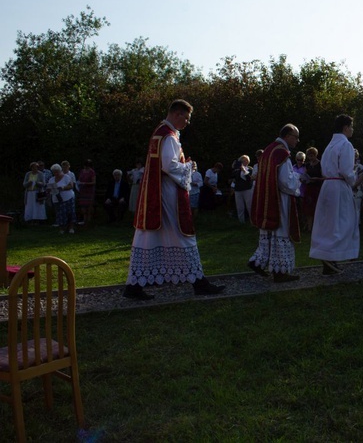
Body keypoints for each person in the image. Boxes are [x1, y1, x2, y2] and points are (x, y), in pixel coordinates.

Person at [124, 99, 224, 300]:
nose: (187, 122)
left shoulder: (159, 132)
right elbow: (168, 166)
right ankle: (199, 282)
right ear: (177, 114)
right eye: (186, 118)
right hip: (168, 195)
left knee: (149, 237)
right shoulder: (168, 136)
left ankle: (134, 285)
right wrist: (189, 167)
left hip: (157, 193)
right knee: (183, 234)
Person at [247, 124, 302, 283]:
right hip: (279, 200)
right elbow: (285, 181)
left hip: (268, 198)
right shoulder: (281, 153)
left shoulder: (268, 150)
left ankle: (257, 261)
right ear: (287, 135)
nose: (297, 141)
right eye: (295, 137)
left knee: (269, 235)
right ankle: (280, 272)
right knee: (280, 232)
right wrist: (297, 180)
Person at [309, 115, 360, 274]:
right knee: (343, 222)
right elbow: (346, 170)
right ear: (345, 127)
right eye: (351, 126)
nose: (352, 129)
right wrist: (354, 178)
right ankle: (331, 256)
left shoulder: (330, 145)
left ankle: (328, 258)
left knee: (328, 224)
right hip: (339, 185)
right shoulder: (346, 145)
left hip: (327, 185)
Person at [47, 163, 76, 234]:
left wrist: (63, 188)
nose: (56, 173)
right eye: (54, 172)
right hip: (57, 199)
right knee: (60, 214)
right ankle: (61, 229)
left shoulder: (66, 177)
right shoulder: (51, 179)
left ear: (60, 171)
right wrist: (49, 190)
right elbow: (49, 188)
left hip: (68, 198)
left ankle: (71, 228)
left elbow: (71, 186)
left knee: (70, 213)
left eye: (57, 171)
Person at [302, 147, 323, 233]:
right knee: (308, 208)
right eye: (309, 156)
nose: (311, 158)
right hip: (309, 188)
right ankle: (309, 227)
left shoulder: (320, 164)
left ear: (315, 155)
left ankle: (317, 227)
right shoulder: (307, 165)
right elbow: (305, 175)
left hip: (317, 188)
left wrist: (317, 179)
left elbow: (324, 177)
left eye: (312, 155)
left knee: (317, 208)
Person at [233, 155, 253, 223]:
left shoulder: (250, 169)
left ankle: (252, 221)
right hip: (238, 190)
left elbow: (249, 179)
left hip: (247, 189)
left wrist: (244, 170)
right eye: (243, 160)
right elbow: (235, 178)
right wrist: (237, 169)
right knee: (240, 207)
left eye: (246, 160)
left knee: (249, 206)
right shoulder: (237, 170)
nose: (245, 162)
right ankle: (241, 221)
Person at [77, 159, 96, 225]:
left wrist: (85, 183)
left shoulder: (92, 172)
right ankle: (84, 220)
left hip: (89, 191)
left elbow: (94, 182)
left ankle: (89, 221)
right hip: (83, 191)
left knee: (89, 207)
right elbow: (79, 179)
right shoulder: (82, 171)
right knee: (83, 206)